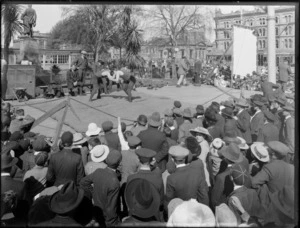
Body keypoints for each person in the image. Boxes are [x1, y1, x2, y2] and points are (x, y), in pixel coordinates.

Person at [80, 149, 122, 227]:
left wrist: (93, 192)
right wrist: (113, 222)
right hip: (107, 219)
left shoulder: (98, 171)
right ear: (119, 163)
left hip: (96, 212)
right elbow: (111, 207)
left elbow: (83, 182)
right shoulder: (115, 181)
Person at [165, 145, 209, 210]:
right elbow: (203, 196)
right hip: (195, 210)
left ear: (172, 159)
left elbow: (169, 200)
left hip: (179, 211)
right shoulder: (197, 173)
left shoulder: (171, 178)